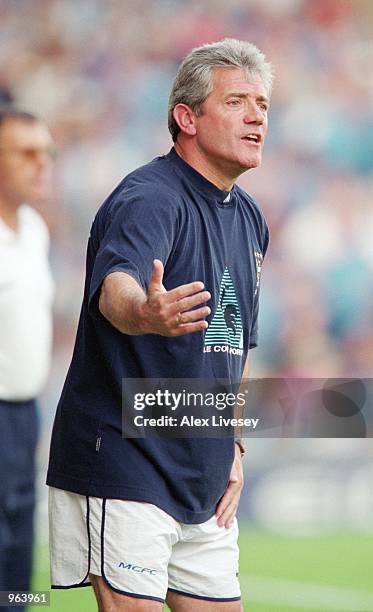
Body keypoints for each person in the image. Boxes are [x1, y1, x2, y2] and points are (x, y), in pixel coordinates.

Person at [47, 38, 273, 611]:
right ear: (186, 117)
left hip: (203, 473)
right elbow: (115, 288)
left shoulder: (249, 217)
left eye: (263, 105)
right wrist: (145, 313)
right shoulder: (150, 197)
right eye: (237, 102)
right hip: (125, 461)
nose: (256, 117)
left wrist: (236, 445)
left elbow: (233, 344)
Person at [0, 110, 55, 607]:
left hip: (23, 412)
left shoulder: (35, 229)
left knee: (18, 543)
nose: (42, 165)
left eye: (47, 154)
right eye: (26, 153)